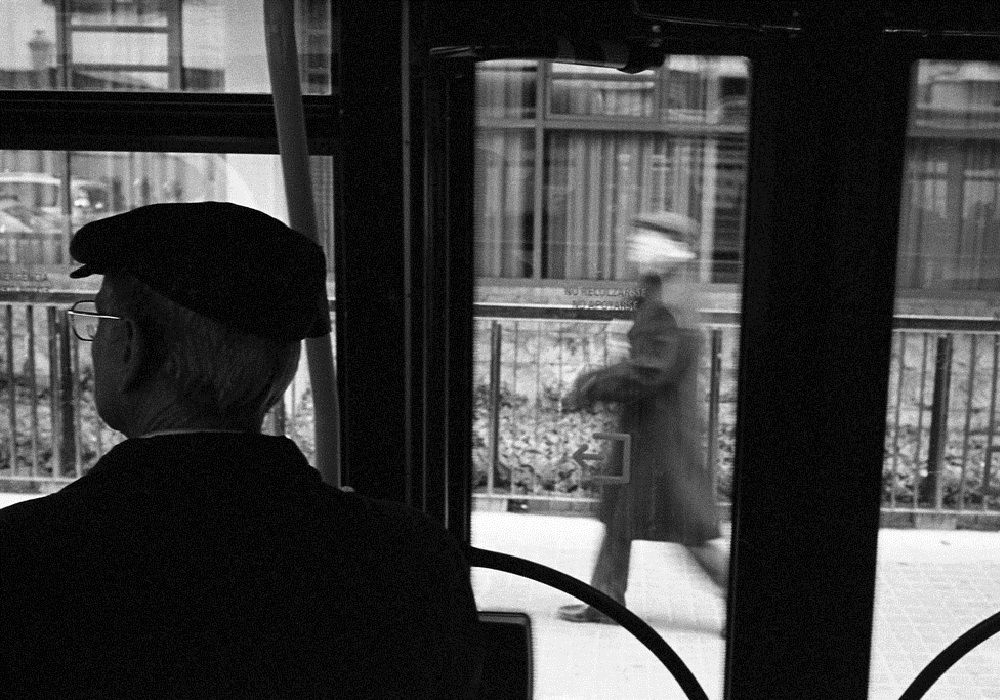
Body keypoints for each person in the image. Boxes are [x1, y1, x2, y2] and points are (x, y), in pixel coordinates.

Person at [0, 202, 481, 699]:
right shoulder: (411, 560)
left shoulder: (22, 561)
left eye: (100, 320)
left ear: (132, 347)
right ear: (285, 372)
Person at [557, 213, 728, 626]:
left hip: (660, 433)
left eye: (646, 239)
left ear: (675, 250)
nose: (635, 245)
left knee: (688, 528)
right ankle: (605, 601)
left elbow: (651, 371)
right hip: (647, 426)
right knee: (619, 513)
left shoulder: (670, 301)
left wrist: (594, 383)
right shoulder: (662, 292)